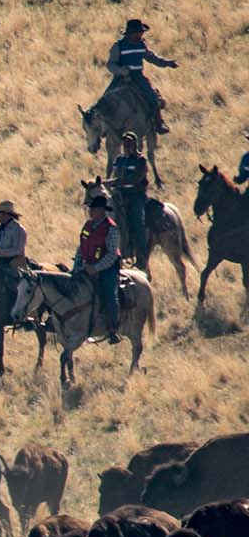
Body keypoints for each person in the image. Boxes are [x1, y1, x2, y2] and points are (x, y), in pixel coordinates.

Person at [105, 19, 176, 133]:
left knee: (152, 98)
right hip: (120, 78)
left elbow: (152, 58)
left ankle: (158, 123)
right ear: (130, 33)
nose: (140, 35)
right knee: (106, 99)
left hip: (138, 77)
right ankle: (104, 128)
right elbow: (110, 64)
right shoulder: (118, 46)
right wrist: (120, 71)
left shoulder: (141, 45)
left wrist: (168, 63)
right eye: (138, 33)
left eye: (141, 32)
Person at [75, 191, 122, 340]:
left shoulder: (111, 228)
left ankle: (113, 328)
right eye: (90, 209)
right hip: (87, 266)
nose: (90, 211)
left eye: (93, 209)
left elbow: (112, 255)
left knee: (109, 294)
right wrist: (78, 266)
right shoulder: (88, 226)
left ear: (102, 210)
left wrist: (96, 268)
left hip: (107, 269)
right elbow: (81, 248)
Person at [109, 132, 152, 266]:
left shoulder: (140, 160)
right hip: (120, 195)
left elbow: (135, 179)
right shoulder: (119, 159)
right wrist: (108, 184)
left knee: (138, 222)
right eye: (125, 143)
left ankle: (141, 257)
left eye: (129, 143)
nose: (126, 146)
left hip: (136, 195)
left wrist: (115, 182)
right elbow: (115, 175)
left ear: (135, 144)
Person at [0, 200, 29, 319]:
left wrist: (0, 252)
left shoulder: (19, 230)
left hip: (16, 264)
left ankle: (21, 313)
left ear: (7, 214)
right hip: (0, 263)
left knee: (16, 287)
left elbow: (18, 250)